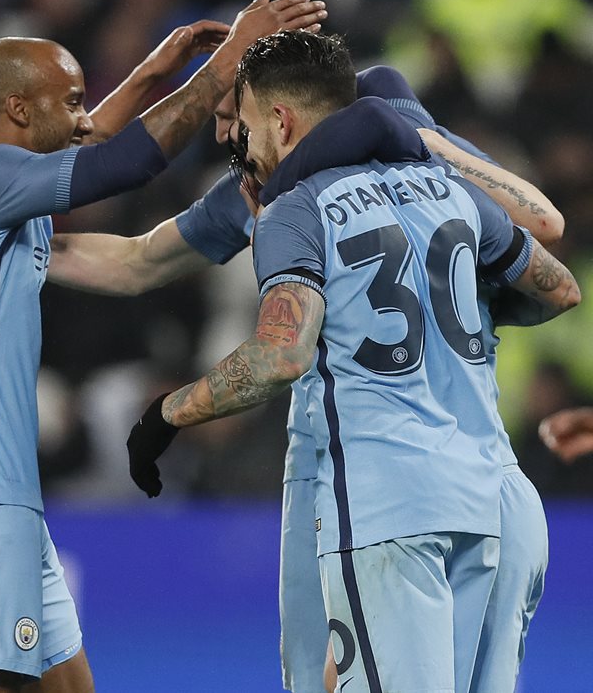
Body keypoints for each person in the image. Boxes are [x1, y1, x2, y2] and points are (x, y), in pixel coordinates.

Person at [48, 62, 565, 692]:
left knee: (338, 669)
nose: (221, 138)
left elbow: (279, 353)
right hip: (465, 477)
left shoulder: (293, 205)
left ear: (278, 117)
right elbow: (138, 259)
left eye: (228, 118)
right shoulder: (423, 187)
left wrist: (165, 415)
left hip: (376, 479)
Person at [0, 0, 328, 692]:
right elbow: (122, 163)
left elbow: (89, 143)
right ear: (19, 111)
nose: (83, 116)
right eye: (70, 100)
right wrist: (225, 64)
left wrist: (156, 69)